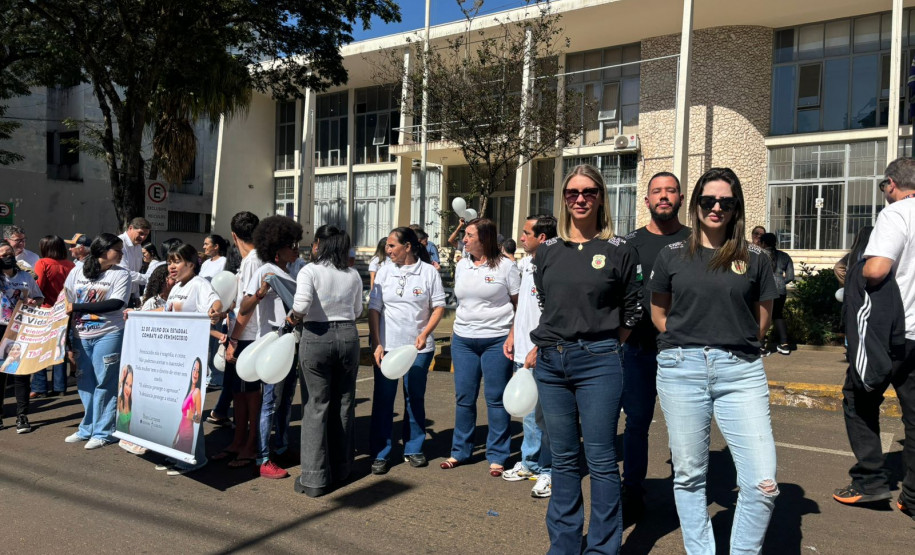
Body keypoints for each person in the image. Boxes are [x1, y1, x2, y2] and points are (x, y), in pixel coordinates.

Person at [649, 167, 779, 554]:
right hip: (681, 369)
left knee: (763, 483)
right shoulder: (671, 254)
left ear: (736, 206)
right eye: (709, 200)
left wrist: (731, 341)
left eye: (726, 201)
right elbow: (659, 314)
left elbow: (763, 316)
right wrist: (688, 342)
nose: (717, 208)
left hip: (740, 371)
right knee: (689, 476)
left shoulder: (755, 258)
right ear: (696, 205)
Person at [529, 165, 641, 553]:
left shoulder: (620, 249)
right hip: (551, 363)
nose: (580, 199)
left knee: (601, 458)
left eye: (589, 192)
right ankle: (563, 545)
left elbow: (632, 309)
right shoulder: (546, 250)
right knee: (562, 459)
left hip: (599, 363)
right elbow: (547, 302)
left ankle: (602, 548)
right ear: (563, 199)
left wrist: (603, 344)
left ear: (601, 197)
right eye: (573, 193)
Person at [833, 158, 915, 520]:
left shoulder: (896, 214)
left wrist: (858, 271)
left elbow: (878, 269)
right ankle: (911, 496)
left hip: (892, 332)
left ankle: (870, 481)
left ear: (891, 184)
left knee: (858, 396)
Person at [621, 171, 690, 521]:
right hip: (638, 350)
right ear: (646, 200)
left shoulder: (697, 242)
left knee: (687, 427)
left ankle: (688, 492)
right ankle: (631, 489)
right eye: (657, 192)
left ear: (681, 198)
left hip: (685, 352)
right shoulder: (629, 244)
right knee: (637, 423)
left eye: (671, 191)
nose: (664, 196)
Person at [440, 217, 520, 476]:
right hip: (463, 340)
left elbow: (519, 305)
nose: (464, 239)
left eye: (469, 235)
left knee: (496, 399)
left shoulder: (507, 267)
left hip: (497, 340)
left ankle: (497, 456)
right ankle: (460, 452)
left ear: (484, 238)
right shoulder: (463, 264)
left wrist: (511, 336)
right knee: (464, 398)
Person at [288, 225, 364, 497]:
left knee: (316, 406)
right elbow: (357, 310)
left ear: (319, 244)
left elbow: (301, 304)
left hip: (317, 334)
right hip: (347, 335)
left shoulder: (310, 270)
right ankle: (342, 467)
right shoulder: (353, 274)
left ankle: (314, 478)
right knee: (344, 403)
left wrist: (293, 317)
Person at [368, 227, 446, 475]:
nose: (387, 250)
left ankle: (413, 448)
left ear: (408, 247)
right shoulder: (383, 271)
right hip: (388, 349)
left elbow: (438, 307)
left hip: (418, 350)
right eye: (387, 246)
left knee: (415, 397)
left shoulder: (428, 273)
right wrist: (376, 342)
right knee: (383, 401)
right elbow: (374, 309)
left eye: (392, 245)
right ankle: (381, 452)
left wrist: (424, 334)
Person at [239, 215, 302, 479]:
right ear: (277, 250)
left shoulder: (293, 271)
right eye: (292, 245)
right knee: (269, 402)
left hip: (291, 343)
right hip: (272, 344)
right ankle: (263, 458)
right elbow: (243, 307)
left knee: (286, 400)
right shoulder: (264, 271)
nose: (297, 250)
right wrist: (261, 293)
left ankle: (282, 446)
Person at [501, 214, 557, 499]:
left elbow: (554, 314)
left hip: (541, 352)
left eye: (526, 233)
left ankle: (549, 470)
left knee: (547, 416)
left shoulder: (555, 266)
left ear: (542, 238)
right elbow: (523, 307)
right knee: (528, 414)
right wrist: (513, 334)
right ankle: (530, 462)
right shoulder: (525, 265)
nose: (521, 238)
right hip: (522, 349)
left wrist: (538, 347)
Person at [157, 243, 223, 475]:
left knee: (189, 409)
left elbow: (214, 304)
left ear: (191, 264)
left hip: (191, 357)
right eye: (169, 262)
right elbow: (168, 316)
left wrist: (215, 311)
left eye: (177, 261)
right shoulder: (175, 288)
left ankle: (195, 457)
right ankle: (177, 451)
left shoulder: (199, 284)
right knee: (175, 406)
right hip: (172, 355)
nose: (171, 266)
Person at [64, 233, 131, 450]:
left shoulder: (121, 274)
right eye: (118, 250)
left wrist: (77, 307)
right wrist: (65, 333)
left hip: (109, 333)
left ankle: (104, 432)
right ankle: (87, 428)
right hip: (81, 335)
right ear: (103, 251)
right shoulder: (78, 270)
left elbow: (115, 303)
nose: (122, 253)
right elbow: (66, 298)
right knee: (85, 382)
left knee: (106, 382)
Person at [216, 212, 263, 466]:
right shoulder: (249, 261)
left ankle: (250, 444)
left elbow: (249, 305)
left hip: (249, 335)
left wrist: (233, 338)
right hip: (242, 332)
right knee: (238, 392)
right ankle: (238, 440)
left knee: (250, 393)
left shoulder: (253, 260)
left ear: (234, 236)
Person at [0, 239, 44, 434]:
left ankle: (22, 415)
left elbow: (40, 297)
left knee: (20, 374)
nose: (7, 257)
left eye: (9, 254)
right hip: (0, 329)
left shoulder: (26, 277)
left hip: (20, 329)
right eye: (2, 255)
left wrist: (34, 301)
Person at [31, 235, 75, 398]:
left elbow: (38, 287)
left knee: (40, 349)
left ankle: (40, 387)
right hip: (63, 311)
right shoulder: (70, 265)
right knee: (60, 349)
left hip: (45, 310)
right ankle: (60, 386)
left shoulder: (42, 263)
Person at [759, 232, 795, 355]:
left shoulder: (758, 255)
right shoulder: (785, 256)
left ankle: (760, 346)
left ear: (763, 243)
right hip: (780, 289)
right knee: (777, 315)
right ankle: (785, 344)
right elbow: (790, 276)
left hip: (763, 288)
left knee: (760, 315)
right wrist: (780, 282)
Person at [118, 217, 152, 306]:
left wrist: (136, 295)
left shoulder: (138, 246)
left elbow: (136, 272)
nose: (143, 237)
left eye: (146, 235)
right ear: (130, 228)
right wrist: (150, 279)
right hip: (118, 295)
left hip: (130, 296)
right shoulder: (119, 243)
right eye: (140, 233)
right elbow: (125, 273)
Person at [173, 358, 204, 453]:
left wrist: (191, 416)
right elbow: (183, 418)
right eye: (194, 369)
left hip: (187, 435)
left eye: (198, 371)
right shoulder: (188, 391)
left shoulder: (197, 392)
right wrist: (175, 437)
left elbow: (199, 418)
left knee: (184, 459)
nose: (195, 374)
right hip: (181, 434)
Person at [116, 365, 134, 434]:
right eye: (126, 383)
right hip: (118, 436)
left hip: (126, 437)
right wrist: (121, 380)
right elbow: (114, 395)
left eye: (130, 386)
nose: (128, 389)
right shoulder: (120, 399)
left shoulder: (131, 401)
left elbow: (128, 426)